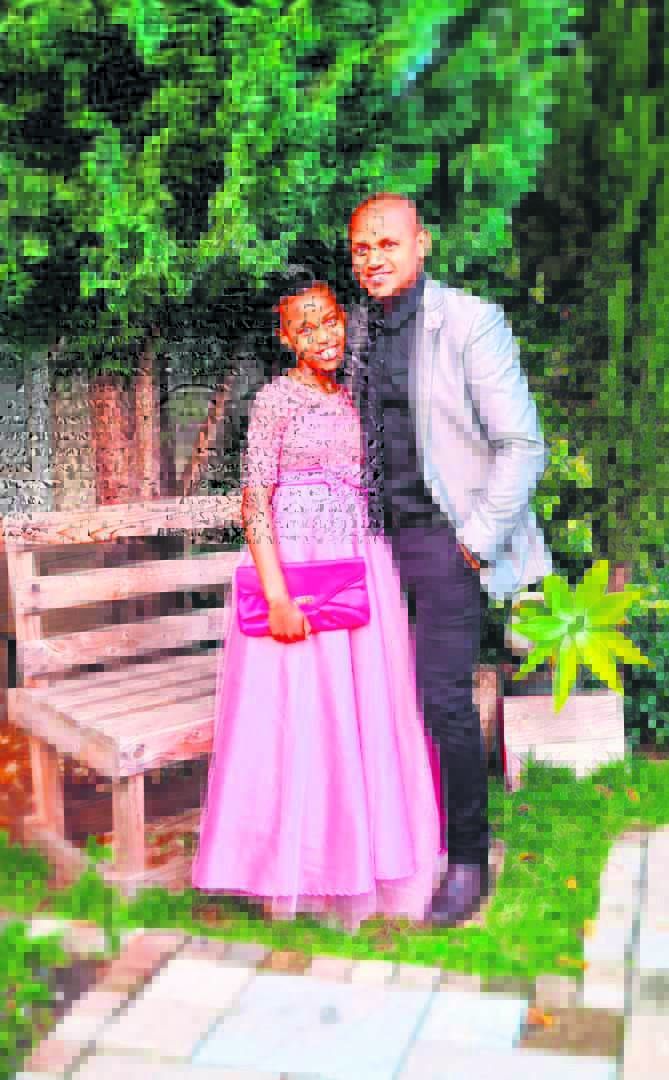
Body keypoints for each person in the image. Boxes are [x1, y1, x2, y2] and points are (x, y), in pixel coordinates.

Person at [191, 275, 443, 932]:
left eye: (329, 319)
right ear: (286, 338)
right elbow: (254, 499)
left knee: (364, 716)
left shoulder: (359, 394)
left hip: (361, 569)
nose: (323, 335)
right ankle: (292, 870)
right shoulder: (276, 400)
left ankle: (367, 859)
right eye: (306, 327)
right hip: (297, 573)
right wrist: (276, 595)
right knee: (300, 720)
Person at [346, 193, 551, 927]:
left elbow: (522, 445)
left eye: (387, 243)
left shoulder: (468, 321)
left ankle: (467, 858)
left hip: (445, 540)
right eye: (362, 248)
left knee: (441, 697)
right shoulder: (356, 330)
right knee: (382, 695)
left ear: (422, 243)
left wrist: (475, 541)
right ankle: (399, 836)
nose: (374, 258)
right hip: (375, 542)